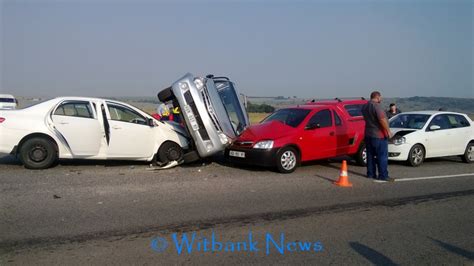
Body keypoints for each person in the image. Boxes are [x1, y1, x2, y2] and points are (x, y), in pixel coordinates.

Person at [361, 91, 394, 182]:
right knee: (382, 156)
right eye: (380, 97)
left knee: (370, 155)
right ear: (377, 97)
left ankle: (370, 174)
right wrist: (388, 131)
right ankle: (383, 175)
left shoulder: (365, 106)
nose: (381, 99)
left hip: (368, 134)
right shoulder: (376, 106)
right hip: (378, 135)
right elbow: (382, 119)